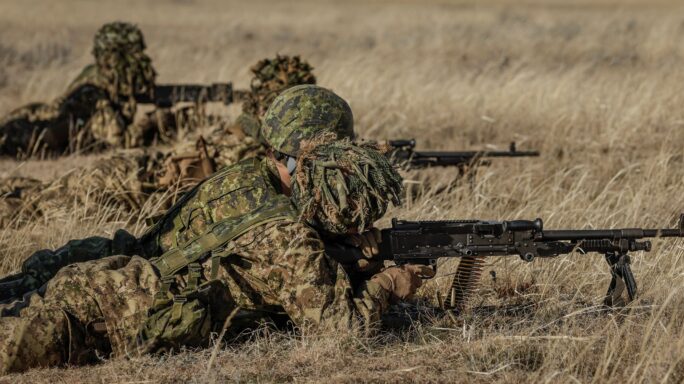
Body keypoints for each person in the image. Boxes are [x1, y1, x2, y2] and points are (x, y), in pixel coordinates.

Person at [0, 85, 431, 374]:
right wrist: (390, 283)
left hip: (109, 276)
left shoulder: (249, 175)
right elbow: (342, 335)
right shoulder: (284, 234)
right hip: (104, 316)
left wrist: (343, 246)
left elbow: (259, 251)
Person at [0, 55, 320, 226]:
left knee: (38, 193)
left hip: (135, 171)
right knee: (33, 207)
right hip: (132, 185)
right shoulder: (260, 151)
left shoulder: (244, 131)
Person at [0, 22, 174, 158]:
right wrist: (151, 121)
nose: (143, 62)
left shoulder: (99, 78)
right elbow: (120, 142)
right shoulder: (94, 93)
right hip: (19, 136)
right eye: (133, 55)